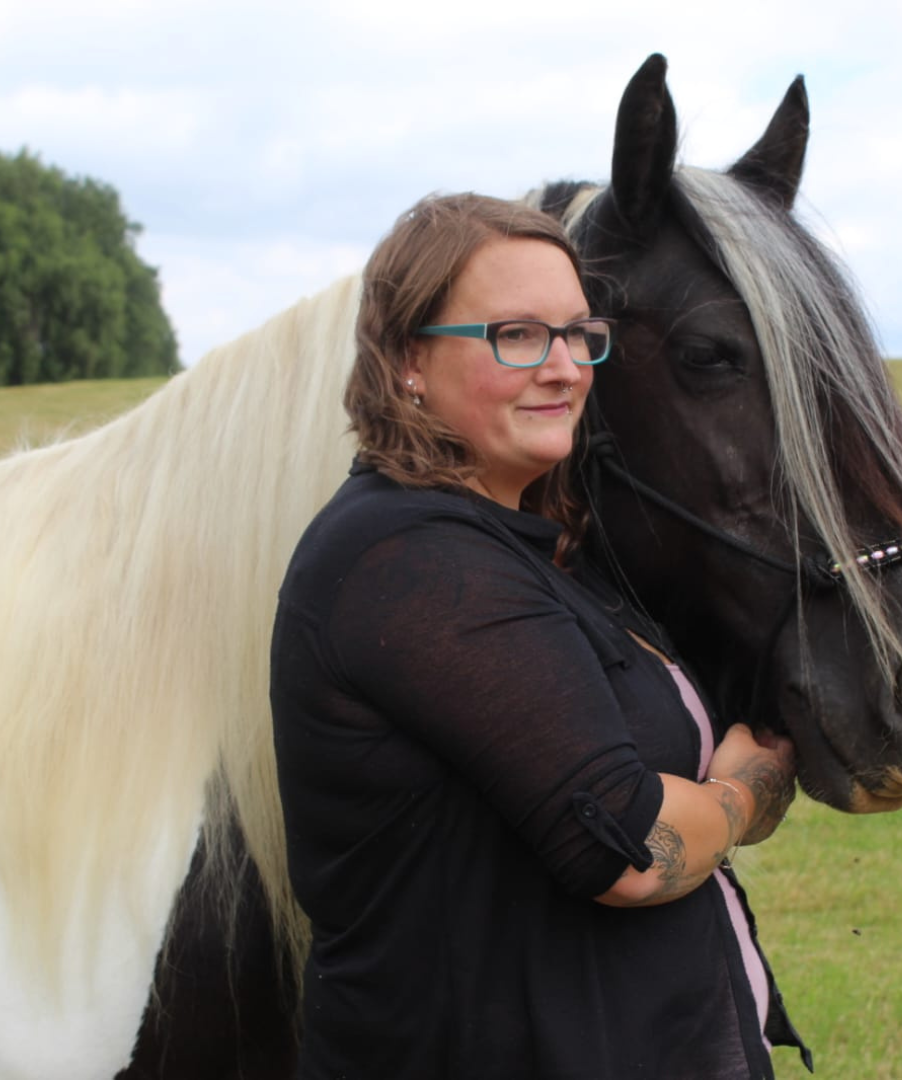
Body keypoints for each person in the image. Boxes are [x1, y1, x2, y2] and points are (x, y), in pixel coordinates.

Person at [270, 192, 810, 1079]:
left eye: (576, 333)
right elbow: (627, 849)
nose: (563, 367)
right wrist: (745, 794)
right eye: (517, 336)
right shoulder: (411, 561)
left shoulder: (532, 540)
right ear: (408, 358)